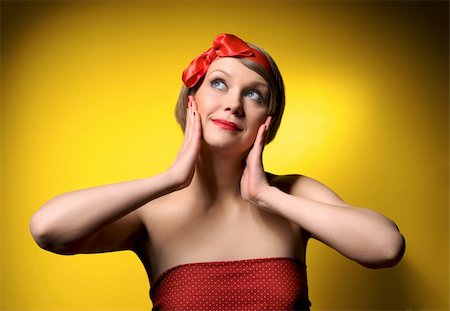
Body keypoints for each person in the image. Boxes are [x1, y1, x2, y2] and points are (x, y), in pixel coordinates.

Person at [30, 33, 405, 310]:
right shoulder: (151, 212)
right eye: (219, 84)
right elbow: (48, 230)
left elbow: (386, 247)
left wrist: (266, 196)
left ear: (268, 122)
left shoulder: (293, 193)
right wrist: (169, 179)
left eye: (254, 94)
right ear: (191, 102)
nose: (234, 104)